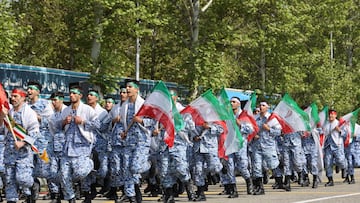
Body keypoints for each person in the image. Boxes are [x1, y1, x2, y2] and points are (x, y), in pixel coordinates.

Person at [153, 89, 196, 203]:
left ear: (176, 97)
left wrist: (179, 123)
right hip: (164, 145)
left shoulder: (182, 111)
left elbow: (191, 127)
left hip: (178, 144)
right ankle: (168, 195)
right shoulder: (162, 111)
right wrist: (155, 131)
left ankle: (190, 190)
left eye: (171, 96)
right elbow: (154, 125)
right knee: (164, 171)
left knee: (181, 168)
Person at [0, 88, 41, 203]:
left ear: (23, 98)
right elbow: (2, 129)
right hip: (9, 152)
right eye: (11, 96)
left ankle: (32, 185)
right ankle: (11, 200)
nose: (12, 99)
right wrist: (2, 116)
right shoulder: (9, 112)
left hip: (23, 154)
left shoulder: (29, 113)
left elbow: (35, 133)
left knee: (23, 179)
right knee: (9, 180)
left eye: (15, 96)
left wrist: (23, 142)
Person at [60, 85, 98, 203]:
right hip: (67, 147)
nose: (71, 95)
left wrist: (83, 121)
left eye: (74, 93)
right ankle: (71, 199)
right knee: (64, 175)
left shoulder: (87, 109)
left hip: (82, 147)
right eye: (70, 93)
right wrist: (63, 122)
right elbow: (57, 127)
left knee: (80, 172)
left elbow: (98, 125)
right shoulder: (66, 110)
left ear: (80, 96)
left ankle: (90, 164)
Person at [118, 80, 152, 203]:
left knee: (135, 167)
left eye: (130, 87)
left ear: (137, 89)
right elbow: (124, 124)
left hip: (141, 141)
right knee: (126, 168)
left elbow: (153, 123)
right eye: (126, 87)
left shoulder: (144, 105)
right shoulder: (124, 106)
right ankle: (131, 196)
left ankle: (148, 164)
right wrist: (123, 133)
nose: (127, 89)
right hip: (128, 141)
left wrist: (141, 121)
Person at [81, 89, 112, 203]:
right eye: (88, 94)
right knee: (86, 168)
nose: (89, 97)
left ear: (97, 98)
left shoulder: (103, 113)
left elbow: (102, 127)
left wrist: (86, 122)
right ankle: (88, 191)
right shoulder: (83, 110)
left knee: (103, 169)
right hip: (86, 142)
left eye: (92, 95)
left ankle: (98, 182)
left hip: (100, 143)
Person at [27, 81, 54, 201]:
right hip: (28, 141)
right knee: (28, 167)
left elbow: (51, 122)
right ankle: (32, 191)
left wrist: (36, 117)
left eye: (31, 89)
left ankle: (54, 192)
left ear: (37, 91)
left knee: (45, 168)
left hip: (43, 142)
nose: (29, 91)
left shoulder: (45, 104)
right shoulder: (25, 105)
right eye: (28, 89)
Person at [251, 101, 281, 195]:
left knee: (273, 164)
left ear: (267, 107)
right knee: (256, 166)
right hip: (257, 146)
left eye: (263, 105)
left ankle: (280, 181)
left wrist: (269, 129)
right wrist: (253, 135)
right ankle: (260, 187)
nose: (261, 106)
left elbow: (279, 132)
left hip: (268, 146)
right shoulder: (255, 118)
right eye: (260, 105)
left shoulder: (271, 119)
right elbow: (251, 130)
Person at [192, 121, 223, 201]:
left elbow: (221, 130)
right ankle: (200, 192)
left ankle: (221, 166)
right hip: (198, 148)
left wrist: (209, 127)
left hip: (210, 147)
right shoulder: (194, 118)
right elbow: (190, 131)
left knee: (214, 167)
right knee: (198, 170)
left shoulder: (213, 117)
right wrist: (194, 137)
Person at [107, 87, 128, 201]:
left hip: (126, 143)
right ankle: (114, 190)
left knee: (126, 167)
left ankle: (128, 191)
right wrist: (113, 120)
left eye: (124, 92)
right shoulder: (115, 108)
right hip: (115, 142)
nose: (122, 94)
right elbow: (107, 123)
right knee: (115, 168)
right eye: (121, 92)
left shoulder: (131, 106)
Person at [48, 91, 67, 203]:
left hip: (66, 148)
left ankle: (66, 192)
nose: (53, 102)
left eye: (55, 100)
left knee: (64, 172)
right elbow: (52, 131)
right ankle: (55, 194)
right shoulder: (52, 115)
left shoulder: (67, 112)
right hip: (55, 147)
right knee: (53, 170)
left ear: (61, 100)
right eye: (52, 100)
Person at [322, 109, 348, 186]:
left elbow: (346, 134)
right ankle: (330, 180)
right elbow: (322, 132)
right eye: (330, 114)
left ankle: (344, 167)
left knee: (340, 160)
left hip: (337, 145)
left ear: (335, 115)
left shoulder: (339, 123)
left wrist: (339, 130)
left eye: (332, 114)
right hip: (328, 146)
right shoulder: (325, 123)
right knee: (327, 162)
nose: (331, 116)